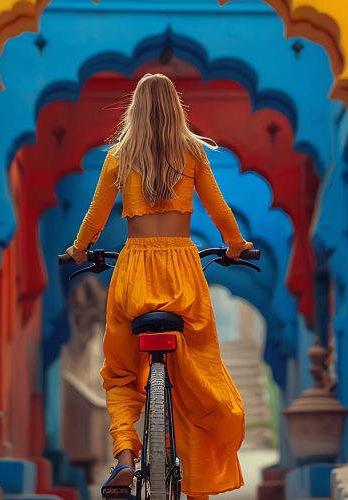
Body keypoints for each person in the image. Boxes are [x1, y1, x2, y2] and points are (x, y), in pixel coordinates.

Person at [65, 73, 252, 500]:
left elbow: (95, 219)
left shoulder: (118, 156)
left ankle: (126, 457)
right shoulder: (193, 153)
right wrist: (238, 246)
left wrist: (78, 251)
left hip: (133, 272)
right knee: (198, 372)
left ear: (135, 108)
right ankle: (197, 477)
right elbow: (220, 210)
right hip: (184, 273)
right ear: (176, 108)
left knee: (120, 373)